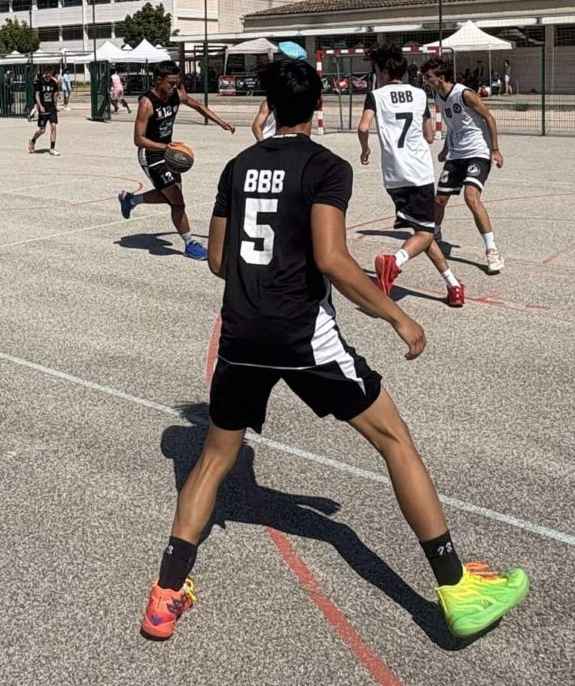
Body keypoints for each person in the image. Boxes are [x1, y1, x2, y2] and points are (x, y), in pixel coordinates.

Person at [139, 57, 527, 643]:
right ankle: (457, 586)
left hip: (241, 334)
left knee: (213, 460)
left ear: (269, 106)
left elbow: (217, 259)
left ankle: (166, 595)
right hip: (302, 335)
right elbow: (332, 258)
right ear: (319, 107)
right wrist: (398, 316)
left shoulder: (238, 167)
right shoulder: (326, 167)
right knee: (395, 441)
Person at [356, 48, 464, 307]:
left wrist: (365, 149)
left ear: (383, 72)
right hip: (419, 172)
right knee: (426, 232)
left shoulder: (376, 95)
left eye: (376, 71)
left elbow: (363, 126)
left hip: (394, 174)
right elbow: (429, 135)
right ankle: (394, 261)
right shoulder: (419, 94)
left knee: (422, 231)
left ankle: (454, 286)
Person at [117, 60, 237, 259]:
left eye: (177, 82)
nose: (175, 87)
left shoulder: (176, 95)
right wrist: (165, 147)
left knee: (173, 198)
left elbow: (198, 106)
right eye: (171, 83)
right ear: (158, 80)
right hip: (151, 153)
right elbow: (138, 139)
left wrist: (221, 123)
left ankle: (130, 199)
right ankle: (190, 244)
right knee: (177, 201)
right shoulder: (147, 103)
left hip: (169, 152)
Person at [422, 57, 505, 275]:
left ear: (441, 77)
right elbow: (454, 126)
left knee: (471, 197)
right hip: (456, 154)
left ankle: (492, 251)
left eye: (429, 77)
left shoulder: (465, 93)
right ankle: (435, 234)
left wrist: (495, 149)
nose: (426, 81)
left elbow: (489, 118)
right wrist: (445, 149)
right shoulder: (438, 96)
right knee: (439, 200)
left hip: (477, 152)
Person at [29, 66, 61, 156]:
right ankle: (32, 140)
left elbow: (55, 94)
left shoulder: (53, 83)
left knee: (53, 127)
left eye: (49, 73)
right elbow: (37, 95)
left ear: (51, 73)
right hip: (43, 108)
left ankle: (52, 148)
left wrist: (55, 105)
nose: (47, 74)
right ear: (44, 73)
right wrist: (40, 106)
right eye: (46, 73)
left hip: (51, 108)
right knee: (42, 130)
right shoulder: (40, 82)